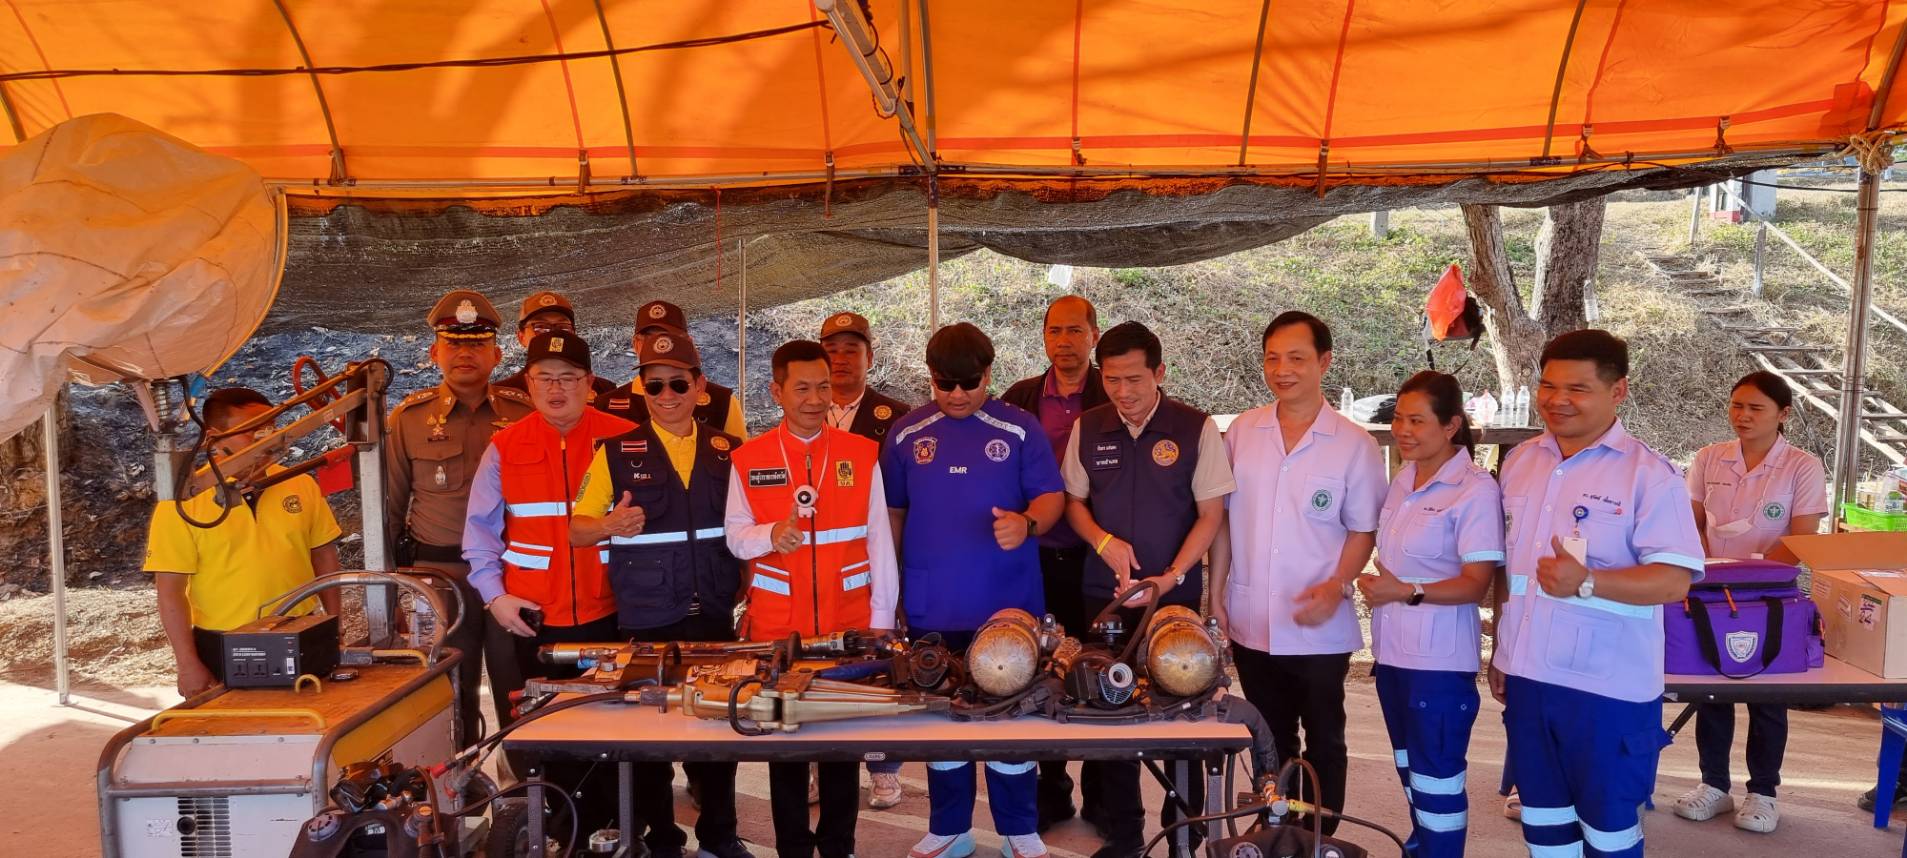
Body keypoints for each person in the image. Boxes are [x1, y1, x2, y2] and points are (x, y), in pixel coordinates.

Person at [1491, 329, 1703, 858]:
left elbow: (1673, 580)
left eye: (1578, 388)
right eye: (1548, 385)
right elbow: (1512, 574)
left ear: (1618, 391)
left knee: (1609, 836)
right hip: (1529, 679)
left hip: (1607, 690)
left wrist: (1588, 581)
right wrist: (1501, 651)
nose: (1557, 400)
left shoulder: (1649, 476)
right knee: (1545, 829)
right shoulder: (1521, 462)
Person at [570, 331, 752, 858]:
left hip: (713, 612)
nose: (666, 395)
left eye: (677, 384)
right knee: (651, 735)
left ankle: (720, 837)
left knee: (717, 730)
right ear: (642, 389)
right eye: (654, 386)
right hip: (648, 615)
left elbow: (746, 528)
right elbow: (576, 529)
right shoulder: (614, 453)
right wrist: (609, 524)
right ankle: (663, 839)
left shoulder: (729, 451)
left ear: (700, 386)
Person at [886, 323, 1065, 858]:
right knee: (942, 715)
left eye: (970, 383)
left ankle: (1019, 830)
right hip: (932, 600)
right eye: (945, 384)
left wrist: (1027, 523)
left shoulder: (1019, 429)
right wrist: (891, 586)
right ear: (930, 377)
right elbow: (893, 513)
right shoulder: (906, 434)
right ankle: (950, 828)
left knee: (1013, 716)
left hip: (1007, 603)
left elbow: (1051, 497)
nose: (958, 394)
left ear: (989, 374)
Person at [1061, 321, 1233, 858]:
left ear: (1160, 373)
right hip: (1105, 597)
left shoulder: (1195, 428)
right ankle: (1125, 836)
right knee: (1109, 715)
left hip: (1172, 600)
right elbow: (1073, 503)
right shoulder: (1089, 427)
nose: (1123, 392)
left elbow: (1211, 515)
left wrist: (1172, 575)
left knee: (1183, 716)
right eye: (1112, 379)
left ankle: (1184, 836)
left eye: (1134, 379)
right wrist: (1103, 541)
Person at [1209, 311, 1384, 835]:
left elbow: (1363, 530)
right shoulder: (1243, 432)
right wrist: (1215, 593)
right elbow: (1222, 521)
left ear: (1324, 362)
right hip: (1253, 616)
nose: (1282, 370)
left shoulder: (1353, 444)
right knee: (1269, 736)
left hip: (1319, 625)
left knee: (1325, 737)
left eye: (1296, 358)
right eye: (1272, 358)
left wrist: (1337, 584)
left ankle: (1317, 837)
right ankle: (1275, 831)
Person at [724, 340, 900, 858]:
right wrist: (768, 535)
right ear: (776, 392)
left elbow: (879, 541)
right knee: (786, 750)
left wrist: (882, 618)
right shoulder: (749, 458)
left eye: (823, 387)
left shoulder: (861, 453)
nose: (816, 398)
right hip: (778, 629)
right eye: (802, 388)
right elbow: (735, 535)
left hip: (849, 625)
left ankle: (839, 847)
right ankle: (793, 850)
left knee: (841, 749)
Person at [465, 330, 633, 836]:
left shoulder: (626, 437)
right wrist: (495, 598)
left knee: (619, 731)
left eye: (568, 378)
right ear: (529, 384)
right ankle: (562, 835)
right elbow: (479, 532)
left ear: (589, 383)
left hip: (613, 613)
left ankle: (624, 830)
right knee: (548, 733)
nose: (556, 389)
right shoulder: (504, 446)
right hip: (534, 619)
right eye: (544, 378)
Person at [1670, 370, 1828, 833]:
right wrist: (1707, 568)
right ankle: (1714, 785)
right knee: (1712, 689)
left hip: (1771, 594)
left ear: (1783, 414)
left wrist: (1746, 576)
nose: (1743, 415)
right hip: (1709, 590)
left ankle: (1763, 792)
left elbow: (1801, 537)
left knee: (1768, 694)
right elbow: (1692, 521)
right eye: (1737, 405)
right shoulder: (1709, 458)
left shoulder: (1802, 466)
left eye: (1756, 408)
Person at [1355, 371, 1502, 858]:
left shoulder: (1474, 489)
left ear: (1451, 425)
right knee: (1411, 773)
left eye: (1417, 420)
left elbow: (1475, 584)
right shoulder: (1404, 479)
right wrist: (1385, 583)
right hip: (1393, 656)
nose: (1403, 429)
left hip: (1439, 664)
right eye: (1398, 418)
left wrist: (1405, 590)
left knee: (1438, 780)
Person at [385, 289, 534, 749]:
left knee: (520, 689)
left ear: (498, 354)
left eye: (477, 343)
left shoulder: (525, 414)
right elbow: (391, 509)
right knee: (449, 692)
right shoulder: (408, 419)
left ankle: (524, 785)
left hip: (511, 576)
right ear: (434, 353)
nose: (464, 353)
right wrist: (391, 593)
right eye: (453, 343)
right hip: (440, 580)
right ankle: (457, 785)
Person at [145, 387, 343, 698]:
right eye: (253, 430)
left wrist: (335, 625)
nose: (266, 439)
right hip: (222, 645)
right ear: (214, 438)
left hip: (301, 634)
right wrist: (187, 663)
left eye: (271, 428)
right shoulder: (183, 502)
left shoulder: (300, 484)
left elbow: (324, 556)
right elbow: (170, 591)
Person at [1001, 294, 1107, 830]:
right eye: (1054, 331)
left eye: (1074, 331)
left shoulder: (1114, 390)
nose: (1064, 341)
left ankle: (1105, 797)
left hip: (1095, 559)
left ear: (1094, 335)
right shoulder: (1018, 399)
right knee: (1039, 673)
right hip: (1035, 561)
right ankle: (1052, 790)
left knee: (1100, 670)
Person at [817, 309, 914, 809]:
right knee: (820, 662)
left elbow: (903, 501)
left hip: (876, 554)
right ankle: (819, 763)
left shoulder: (895, 418)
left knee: (879, 661)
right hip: (820, 563)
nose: (840, 360)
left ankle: (883, 767)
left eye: (850, 350)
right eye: (831, 351)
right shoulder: (803, 412)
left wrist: (896, 571)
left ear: (869, 357)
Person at [594, 299, 748, 439]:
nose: (659, 346)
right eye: (650, 338)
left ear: (689, 343)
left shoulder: (722, 403)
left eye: (670, 339)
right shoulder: (605, 406)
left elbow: (740, 459)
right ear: (636, 344)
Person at [495, 290, 617, 398]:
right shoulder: (500, 396)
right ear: (521, 337)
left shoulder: (605, 391)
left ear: (573, 335)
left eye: (562, 328)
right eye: (540, 327)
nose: (553, 335)